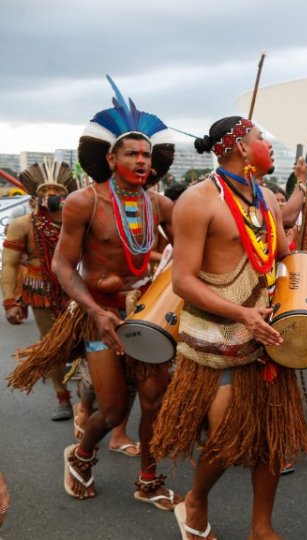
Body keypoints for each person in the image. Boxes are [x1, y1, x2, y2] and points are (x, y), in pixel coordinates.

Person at [8, 79, 180, 507]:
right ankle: (82, 456)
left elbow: (184, 256)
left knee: (155, 403)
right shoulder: (83, 202)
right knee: (115, 410)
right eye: (131, 154)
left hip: (149, 317)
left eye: (146, 155)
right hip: (99, 315)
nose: (141, 161)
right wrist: (94, 307)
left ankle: (149, 480)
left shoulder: (160, 206)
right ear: (110, 157)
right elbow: (62, 266)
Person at [150, 116, 307, 539]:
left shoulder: (266, 199)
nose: (269, 144)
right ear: (240, 146)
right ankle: (197, 499)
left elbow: (279, 257)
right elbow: (183, 280)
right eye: (262, 137)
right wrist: (242, 314)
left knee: (272, 439)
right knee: (228, 439)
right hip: (219, 340)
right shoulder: (197, 200)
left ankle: (262, 526)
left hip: (268, 336)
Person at [2, 158, 80, 420]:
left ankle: (92, 395)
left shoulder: (79, 222)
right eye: (45, 193)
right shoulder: (22, 225)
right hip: (42, 291)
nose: (51, 197)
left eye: (57, 193)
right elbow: (9, 266)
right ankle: (63, 397)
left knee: (90, 344)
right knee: (53, 345)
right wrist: (11, 301)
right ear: (36, 196)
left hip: (80, 289)